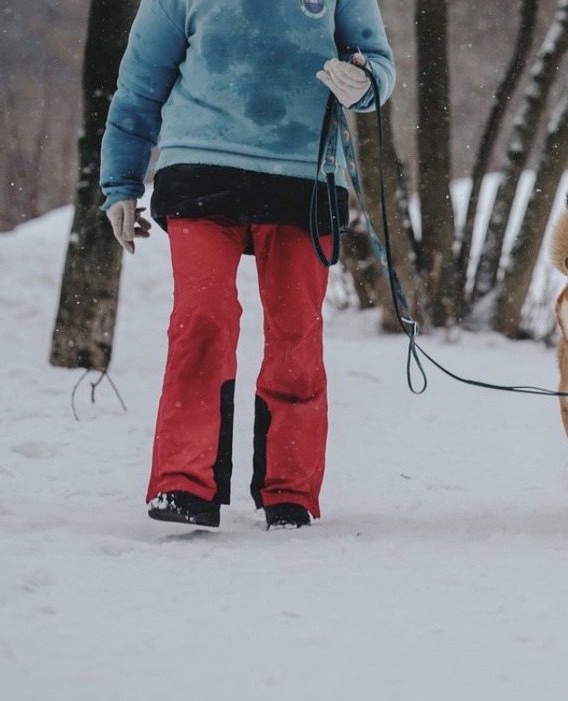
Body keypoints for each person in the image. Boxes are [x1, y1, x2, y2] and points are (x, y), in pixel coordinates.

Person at [99, 0, 395, 530]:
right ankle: (184, 483)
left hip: (303, 175)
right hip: (199, 168)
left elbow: (375, 63)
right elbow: (140, 85)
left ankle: (290, 490)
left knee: (295, 333)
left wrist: (365, 81)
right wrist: (120, 182)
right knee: (202, 317)